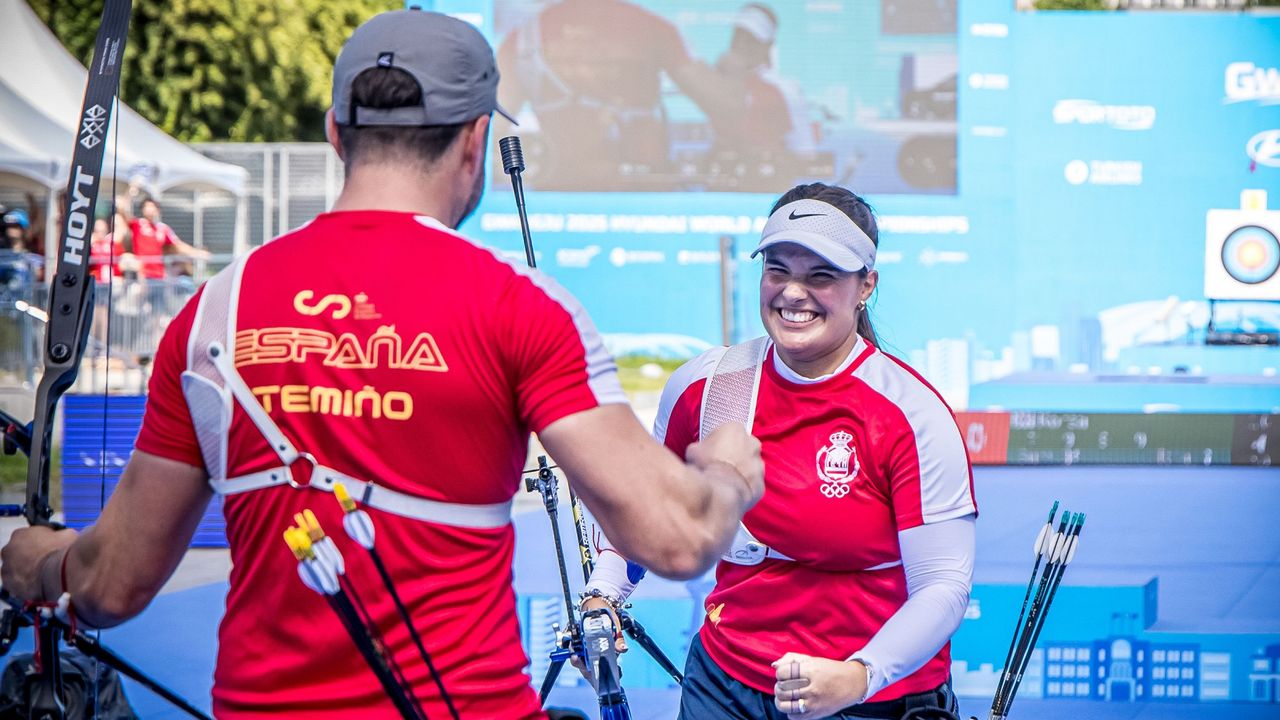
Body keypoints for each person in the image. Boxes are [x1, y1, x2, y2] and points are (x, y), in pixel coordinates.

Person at [0, 10, 763, 720]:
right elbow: (677, 538)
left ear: (336, 131)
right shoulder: (520, 308)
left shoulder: (216, 312)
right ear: (473, 141)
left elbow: (111, 584)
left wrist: (42, 564)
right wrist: (727, 467)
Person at [581, 182, 976, 719]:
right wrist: (601, 601)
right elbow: (650, 516)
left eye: (821, 276)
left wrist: (859, 675)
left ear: (866, 286)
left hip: (870, 698)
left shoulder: (911, 415)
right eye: (778, 270)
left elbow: (944, 586)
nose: (793, 293)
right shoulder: (708, 386)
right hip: (724, 684)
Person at [128, 197, 209, 280]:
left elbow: (178, 245)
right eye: (147, 206)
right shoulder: (137, 224)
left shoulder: (163, 228)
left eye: (152, 206)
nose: (149, 209)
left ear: (157, 210)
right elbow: (123, 213)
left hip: (158, 274)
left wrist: (197, 253)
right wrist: (129, 193)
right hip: (141, 275)